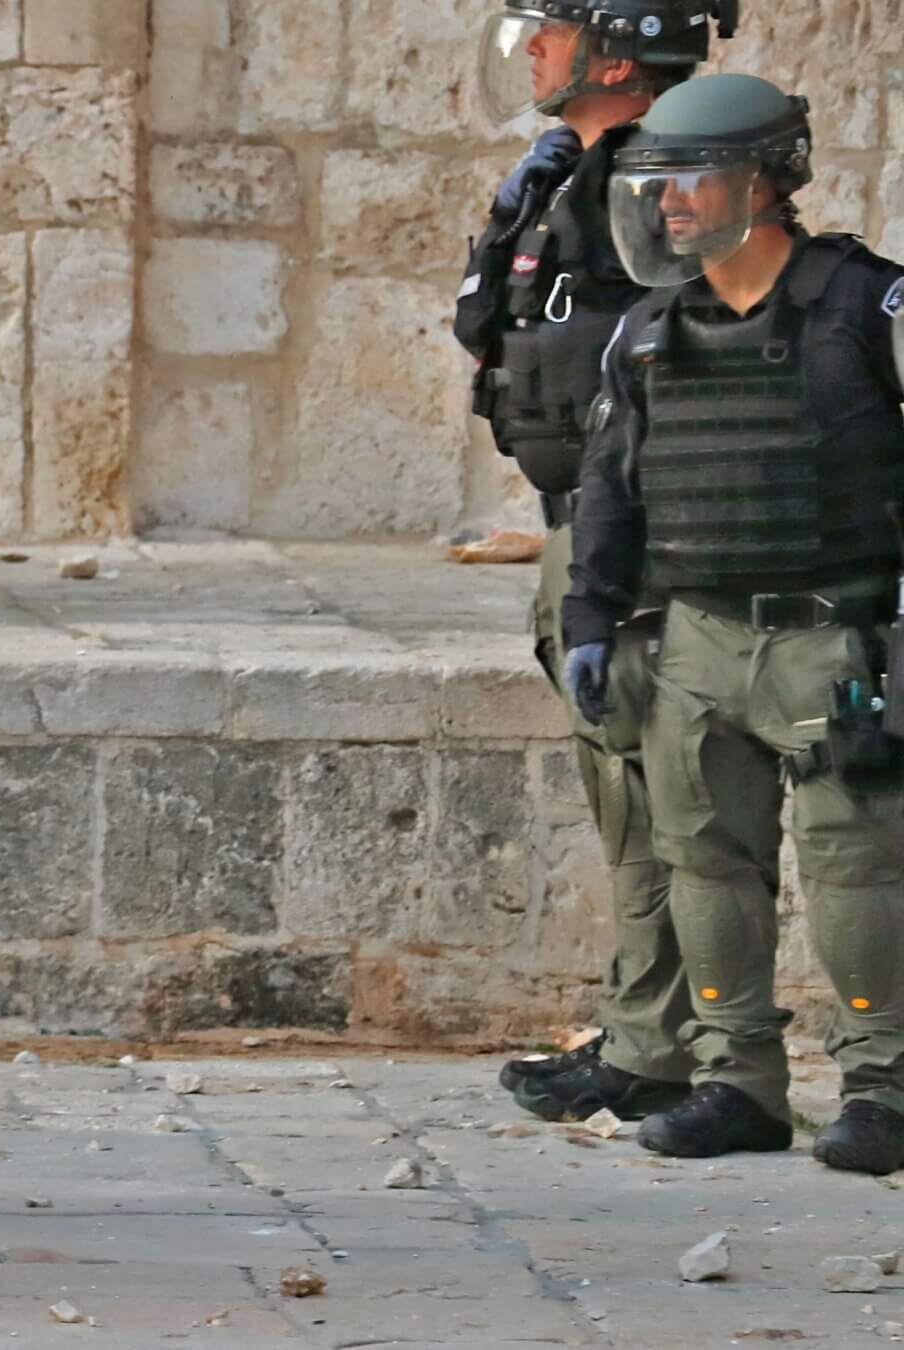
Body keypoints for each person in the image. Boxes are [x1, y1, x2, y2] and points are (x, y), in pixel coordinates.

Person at [567, 73, 904, 1173]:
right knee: (706, 865)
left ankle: (881, 1089)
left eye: (688, 182)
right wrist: (591, 620)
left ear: (764, 182)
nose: (665, 207)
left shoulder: (867, 308)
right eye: (653, 187)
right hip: (697, 640)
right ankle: (738, 1084)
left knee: (857, 870)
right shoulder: (653, 330)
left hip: (836, 637)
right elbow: (611, 489)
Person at [457, 0, 732, 1123]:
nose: (531, 49)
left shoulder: (678, 180)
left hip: (644, 522)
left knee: (675, 792)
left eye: (554, 30)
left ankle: (690, 1052)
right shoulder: (570, 173)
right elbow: (492, 322)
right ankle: (643, 1035)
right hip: (581, 510)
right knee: (623, 787)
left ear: (617, 52)